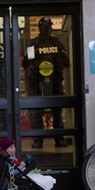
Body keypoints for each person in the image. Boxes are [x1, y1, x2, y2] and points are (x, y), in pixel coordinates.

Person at [22, 17, 70, 148]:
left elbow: (66, 63)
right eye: (46, 27)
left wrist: (63, 55)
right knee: (37, 111)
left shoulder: (57, 43)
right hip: (39, 82)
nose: (48, 29)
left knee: (57, 110)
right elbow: (25, 63)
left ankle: (59, 138)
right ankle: (38, 139)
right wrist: (32, 54)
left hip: (55, 81)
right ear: (40, 28)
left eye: (49, 26)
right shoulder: (34, 43)